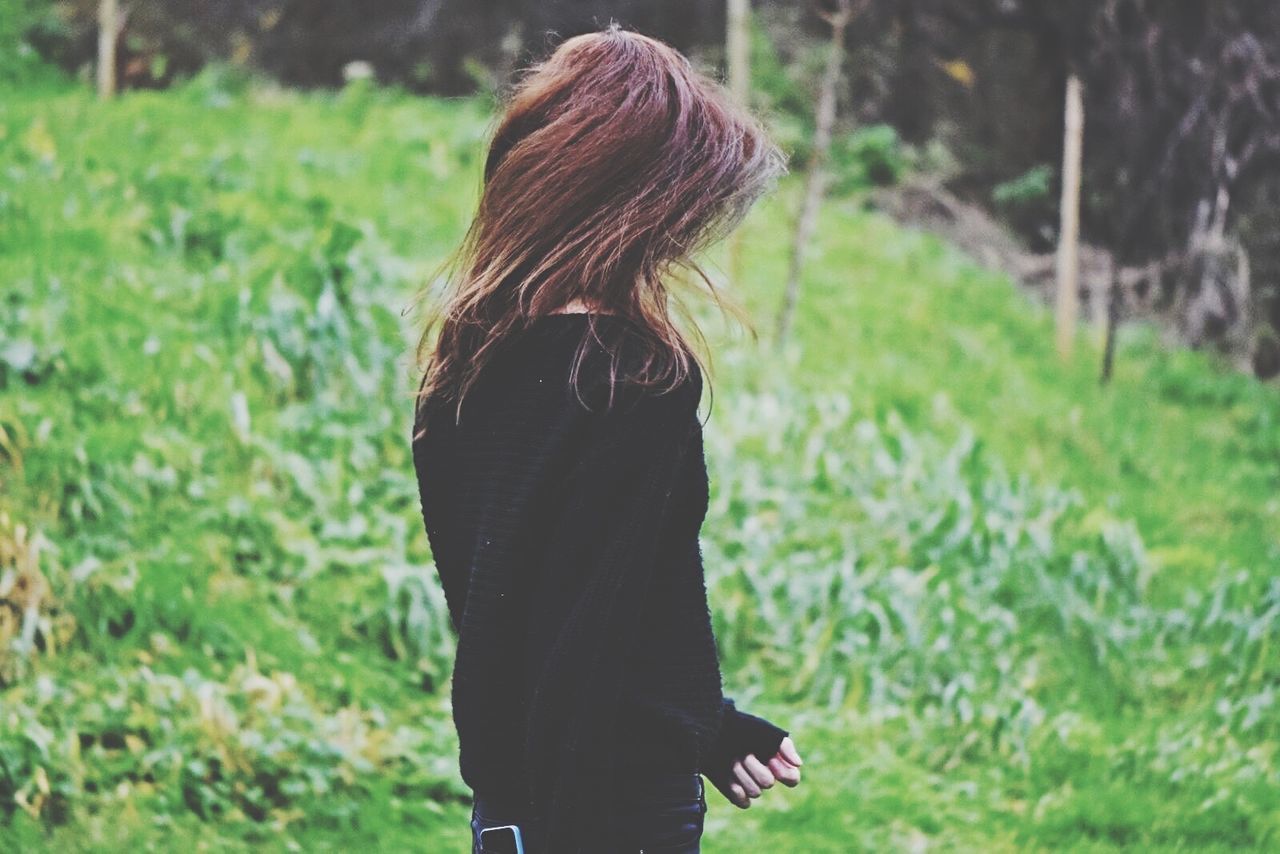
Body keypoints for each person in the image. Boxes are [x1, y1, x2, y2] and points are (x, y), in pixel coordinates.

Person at [410, 23, 803, 853]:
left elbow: (562, 615)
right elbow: (582, 642)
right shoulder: (632, 377)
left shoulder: (464, 363)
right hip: (608, 813)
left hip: (509, 810)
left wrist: (707, 726)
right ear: (636, 199)